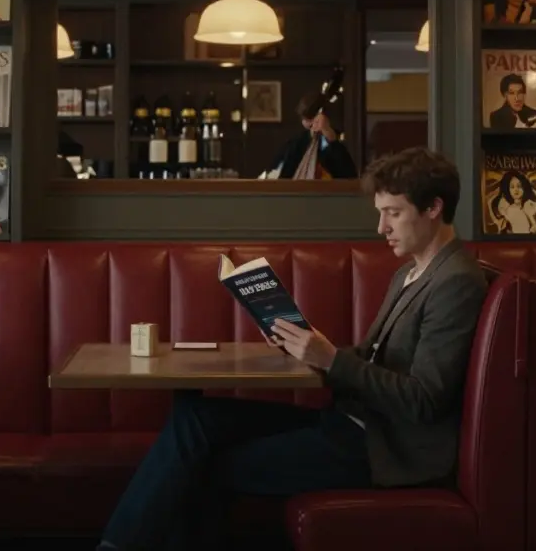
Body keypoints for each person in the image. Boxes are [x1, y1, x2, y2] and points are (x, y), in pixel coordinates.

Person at [98, 147, 489, 550]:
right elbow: (376, 360)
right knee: (194, 416)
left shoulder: (455, 283)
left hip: (383, 448)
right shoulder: (410, 271)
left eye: (393, 213)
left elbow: (425, 399)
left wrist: (330, 359)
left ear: (433, 208)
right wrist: (305, 346)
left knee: (202, 463)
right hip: (349, 421)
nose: (380, 227)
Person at [264, 91, 358, 179]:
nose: (309, 124)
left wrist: (331, 140)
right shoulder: (294, 144)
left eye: (310, 118)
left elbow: (349, 176)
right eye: (305, 119)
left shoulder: (335, 144)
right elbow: (277, 173)